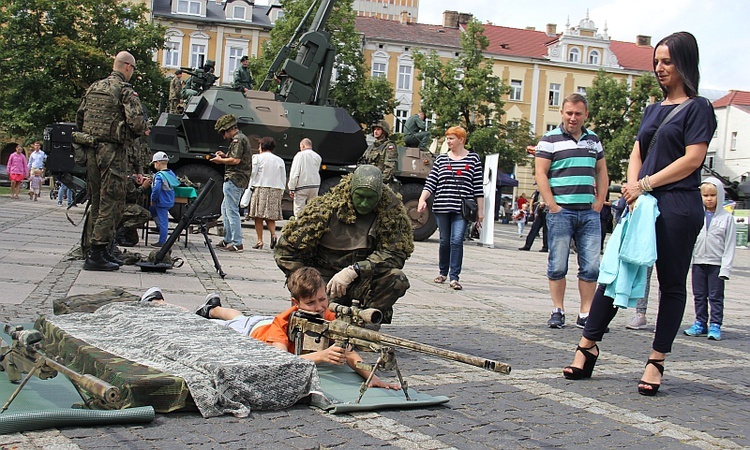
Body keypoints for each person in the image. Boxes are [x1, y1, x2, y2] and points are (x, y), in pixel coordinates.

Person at [563, 32, 717, 396]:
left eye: (667, 61)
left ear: (685, 63)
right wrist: (632, 190)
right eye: (657, 62)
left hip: (678, 204)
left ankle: (656, 359)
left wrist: (644, 185)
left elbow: (692, 159)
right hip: (641, 202)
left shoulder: (699, 107)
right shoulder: (652, 109)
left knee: (671, 282)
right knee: (615, 272)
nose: (660, 68)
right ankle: (588, 345)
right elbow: (638, 151)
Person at [191, 267, 401, 390]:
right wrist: (321, 356)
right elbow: (282, 362)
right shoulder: (282, 323)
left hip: (261, 321)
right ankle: (211, 311)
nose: (319, 307)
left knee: (240, 316)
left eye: (322, 299)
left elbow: (349, 353)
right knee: (233, 322)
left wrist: (372, 377)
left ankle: (214, 307)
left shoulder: (327, 315)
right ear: (295, 302)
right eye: (310, 303)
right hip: (255, 332)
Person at [275, 165, 413, 325]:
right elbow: (285, 250)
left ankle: (364, 324)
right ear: (351, 192)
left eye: (371, 198)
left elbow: (395, 254)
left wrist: (356, 270)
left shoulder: (391, 214)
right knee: (321, 323)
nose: (364, 203)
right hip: (324, 282)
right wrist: (308, 282)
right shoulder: (325, 210)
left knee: (397, 279)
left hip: (360, 280)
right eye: (360, 197)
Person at [535, 92, 609, 329]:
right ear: (562, 113)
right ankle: (558, 309)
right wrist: (552, 204)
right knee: (558, 264)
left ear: (586, 114)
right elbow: (540, 173)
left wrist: (600, 201)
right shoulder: (549, 139)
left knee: (591, 266)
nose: (573, 117)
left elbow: (602, 171)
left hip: (588, 212)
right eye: (569, 113)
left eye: (578, 113)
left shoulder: (593, 140)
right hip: (561, 211)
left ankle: (586, 312)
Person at [76, 51, 147, 271]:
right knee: (111, 201)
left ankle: (101, 249)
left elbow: (80, 118)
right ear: (127, 67)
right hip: (112, 152)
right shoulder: (124, 90)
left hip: (90, 149)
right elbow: (137, 124)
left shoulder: (94, 87)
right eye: (133, 69)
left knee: (97, 200)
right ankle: (98, 253)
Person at [417, 126, 484, 291]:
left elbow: (478, 187)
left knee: (457, 240)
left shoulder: (473, 159)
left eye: (451, 138)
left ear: (461, 140)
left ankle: (454, 277)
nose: (448, 141)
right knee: (444, 241)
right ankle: (442, 272)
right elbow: (431, 182)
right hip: (442, 206)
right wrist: (422, 199)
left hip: (462, 209)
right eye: (447, 138)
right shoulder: (441, 159)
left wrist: (480, 211)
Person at [683, 178, 736, 341]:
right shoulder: (696, 215)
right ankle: (700, 322)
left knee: (715, 296)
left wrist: (726, 268)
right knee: (699, 295)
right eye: (705, 195)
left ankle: (715, 324)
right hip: (698, 262)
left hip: (716, 264)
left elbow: (730, 244)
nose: (709, 199)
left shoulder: (726, 218)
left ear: (719, 195)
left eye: (713, 195)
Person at [211, 114, 252, 253]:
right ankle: (228, 239)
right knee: (225, 210)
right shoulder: (240, 138)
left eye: (224, 132)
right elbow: (234, 157)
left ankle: (237, 243)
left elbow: (236, 161)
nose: (224, 136)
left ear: (229, 129)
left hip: (235, 179)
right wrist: (224, 156)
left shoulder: (238, 139)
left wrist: (220, 161)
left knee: (231, 212)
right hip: (236, 179)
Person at [247, 137, 286, 250]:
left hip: (261, 187)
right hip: (276, 188)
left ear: (262, 147)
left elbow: (253, 173)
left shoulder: (257, 158)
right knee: (270, 216)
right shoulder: (279, 160)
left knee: (258, 216)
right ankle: (273, 234)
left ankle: (260, 240)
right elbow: (283, 177)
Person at [149, 151, 180, 247]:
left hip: (161, 201)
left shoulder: (159, 175)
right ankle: (159, 227)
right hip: (169, 200)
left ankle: (162, 241)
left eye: (154, 163)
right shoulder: (171, 173)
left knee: (163, 221)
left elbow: (156, 189)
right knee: (152, 210)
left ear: (157, 163)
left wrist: (152, 199)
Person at [288, 137, 321, 217]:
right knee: (313, 208)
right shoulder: (318, 157)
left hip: (302, 186)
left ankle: (299, 227)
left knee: (299, 211)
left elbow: (295, 173)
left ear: (302, 145)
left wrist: (291, 188)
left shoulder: (300, 155)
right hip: (315, 185)